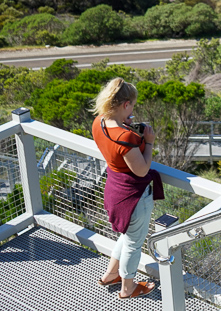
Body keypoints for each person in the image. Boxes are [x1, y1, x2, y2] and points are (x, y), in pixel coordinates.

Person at [91, 77, 164, 300]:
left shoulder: (99, 122)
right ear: (125, 104)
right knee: (134, 243)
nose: (133, 108)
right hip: (134, 196)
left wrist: (124, 123)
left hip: (114, 190)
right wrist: (148, 142)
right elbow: (141, 170)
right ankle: (127, 288)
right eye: (131, 105)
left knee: (127, 235)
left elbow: (116, 149)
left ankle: (110, 275)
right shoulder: (126, 137)